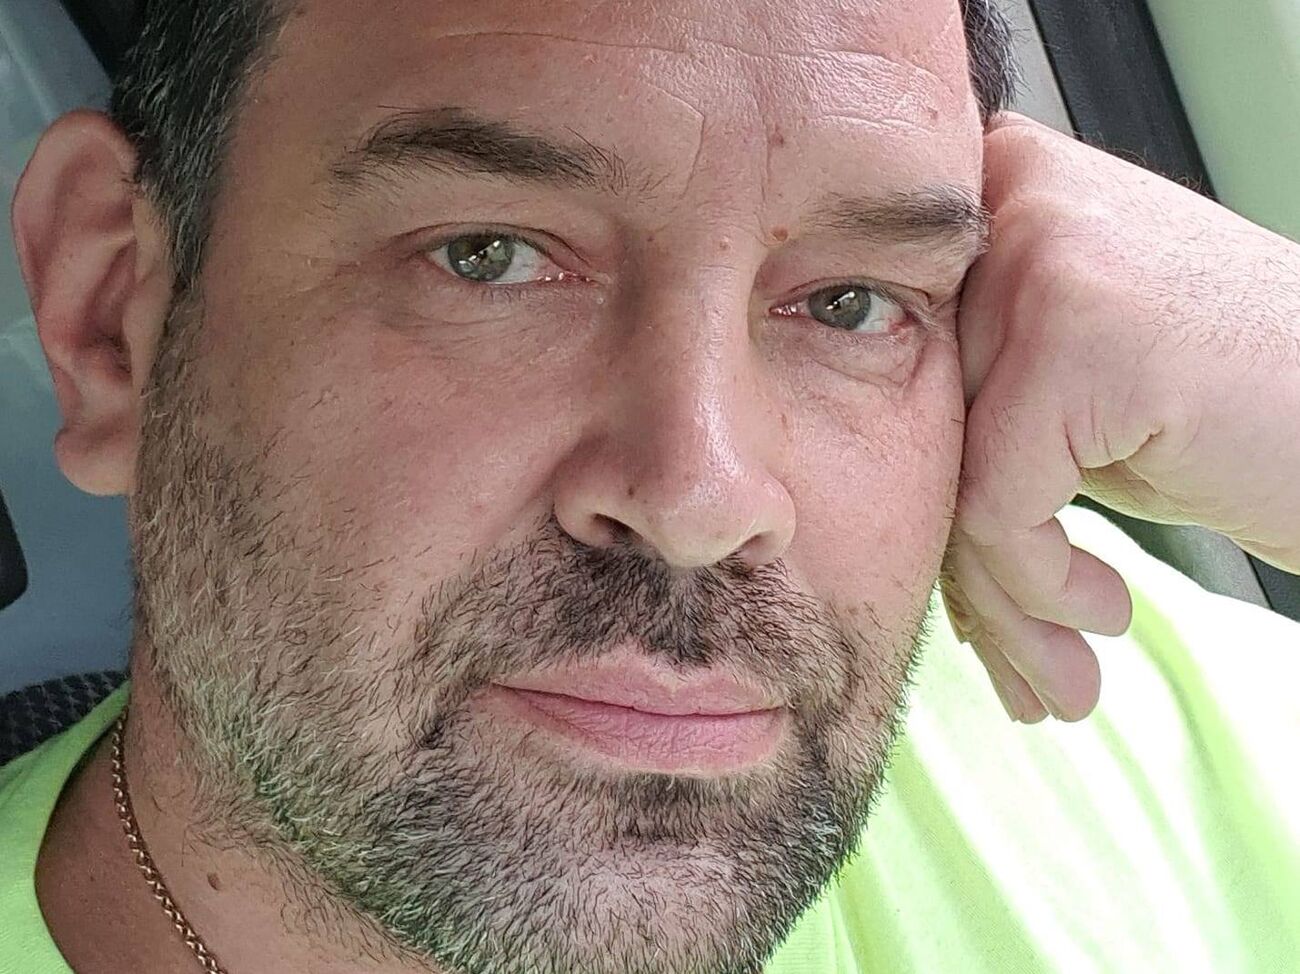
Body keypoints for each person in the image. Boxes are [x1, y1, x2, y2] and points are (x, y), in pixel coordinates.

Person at [2, 0, 1298, 971]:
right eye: (489, 255)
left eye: (852, 303)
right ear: (114, 314)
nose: (699, 500)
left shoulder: (1110, 719)